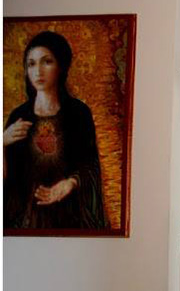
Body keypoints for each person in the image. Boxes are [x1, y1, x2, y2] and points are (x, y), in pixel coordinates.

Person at [4, 31, 107, 230]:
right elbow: (8, 181)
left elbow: (91, 166)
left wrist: (69, 183)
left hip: (70, 215)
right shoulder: (19, 116)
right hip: (25, 221)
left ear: (61, 66)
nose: (38, 71)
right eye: (31, 63)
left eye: (47, 61)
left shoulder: (78, 113)